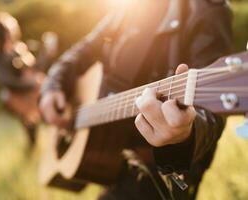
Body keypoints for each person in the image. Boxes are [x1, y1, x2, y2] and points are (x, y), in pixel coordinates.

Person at [39, 0, 231, 199]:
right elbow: (81, 51)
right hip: (113, 153)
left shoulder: (207, 10)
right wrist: (52, 86)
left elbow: (211, 111)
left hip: (157, 169)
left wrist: (188, 132)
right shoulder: (128, 9)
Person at [0, 12, 58, 150]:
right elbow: (6, 81)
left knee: (44, 116)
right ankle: (33, 149)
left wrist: (46, 52)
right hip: (17, 96)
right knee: (30, 124)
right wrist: (32, 83)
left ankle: (51, 144)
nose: (9, 36)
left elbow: (35, 69)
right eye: (5, 33)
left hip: (32, 91)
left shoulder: (19, 49)